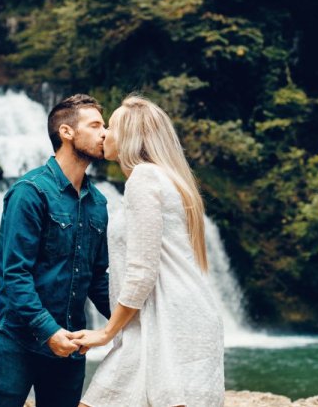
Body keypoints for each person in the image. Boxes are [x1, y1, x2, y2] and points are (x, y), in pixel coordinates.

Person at [73, 95, 225, 406]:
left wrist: (105, 334)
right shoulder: (165, 178)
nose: (104, 134)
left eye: (111, 127)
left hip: (168, 324)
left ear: (130, 136)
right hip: (165, 321)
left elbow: (142, 271)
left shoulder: (143, 178)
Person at [0, 94, 111, 407]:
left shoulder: (99, 204)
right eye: (95, 125)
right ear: (67, 133)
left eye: (105, 126)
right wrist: (48, 331)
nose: (105, 133)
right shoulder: (30, 192)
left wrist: (132, 321)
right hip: (16, 341)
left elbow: (98, 279)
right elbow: (15, 274)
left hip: (70, 344)